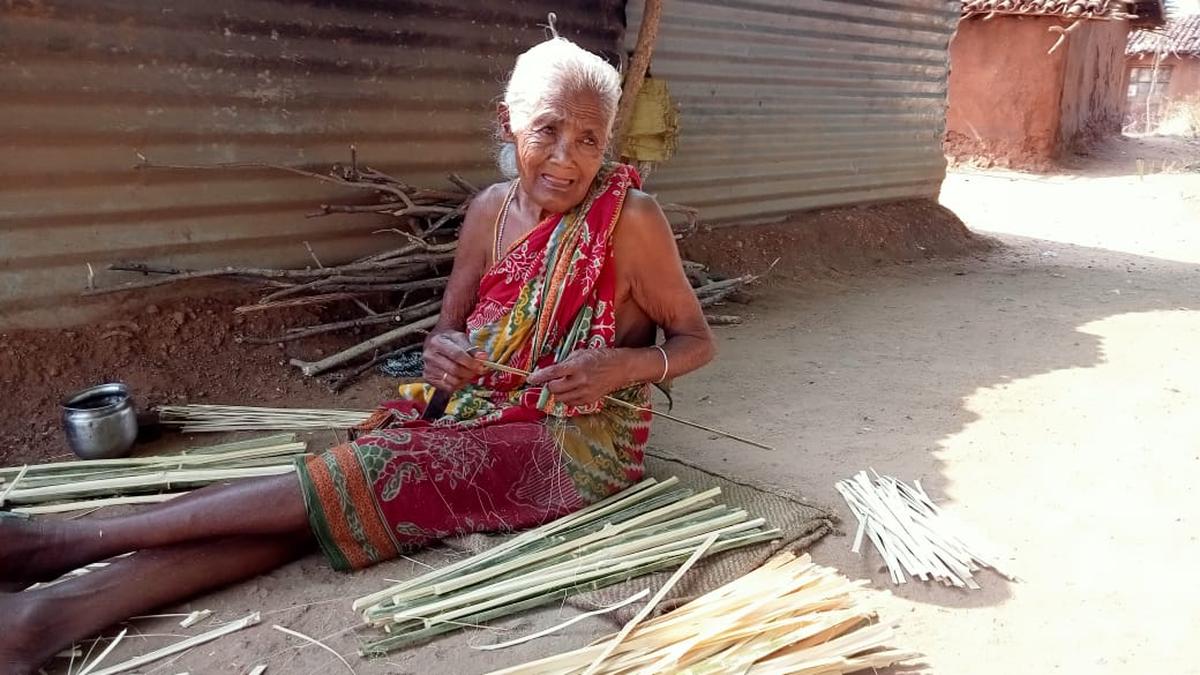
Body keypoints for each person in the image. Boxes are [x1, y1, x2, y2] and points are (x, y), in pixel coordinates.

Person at [0, 36, 714, 673]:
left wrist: (627, 365)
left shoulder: (631, 221)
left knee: (360, 471)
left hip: (571, 443)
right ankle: (46, 618)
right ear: (507, 124)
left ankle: (59, 544)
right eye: (548, 130)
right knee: (321, 503)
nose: (566, 159)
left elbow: (695, 339)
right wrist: (445, 354)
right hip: (476, 409)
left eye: (589, 140)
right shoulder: (489, 212)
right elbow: (448, 332)